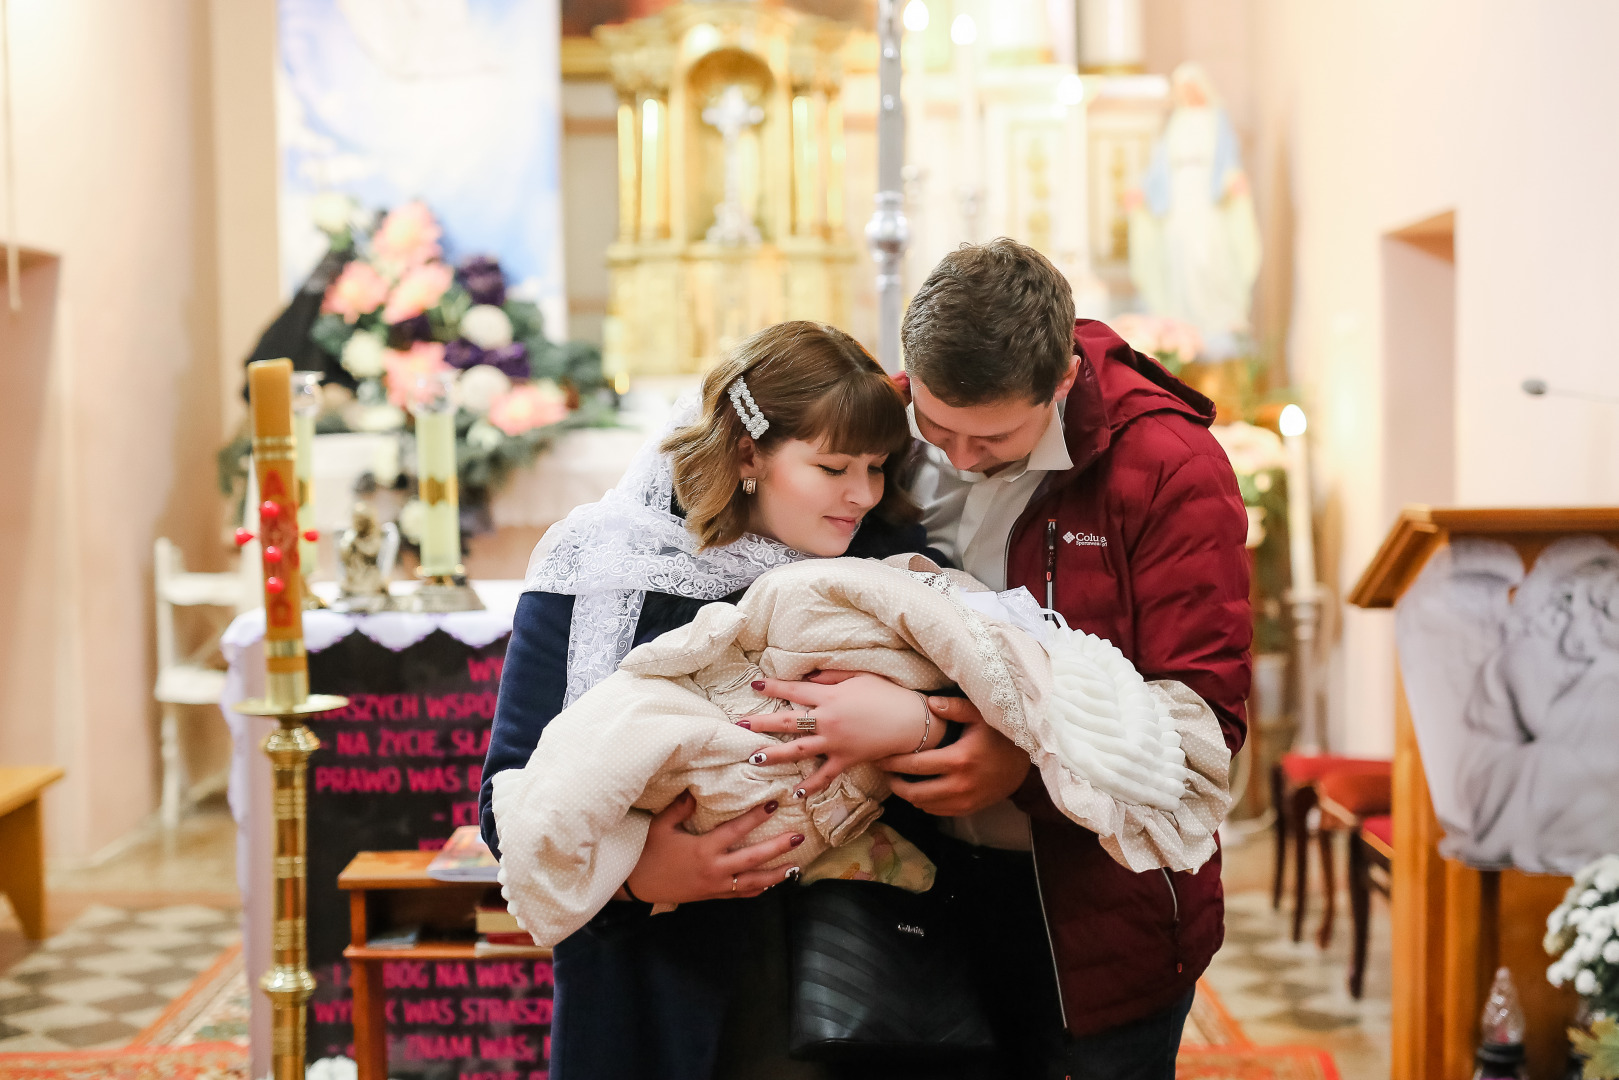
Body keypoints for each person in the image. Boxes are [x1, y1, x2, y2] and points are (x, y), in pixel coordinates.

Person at [754, 238, 1252, 1078]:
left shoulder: (1167, 467)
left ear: (1060, 381)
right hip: (913, 882)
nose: (956, 457)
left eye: (990, 438)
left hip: (1094, 912)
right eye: (935, 424)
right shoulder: (888, 431)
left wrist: (1017, 765)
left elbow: (1206, 729)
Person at [477, 321, 955, 1079]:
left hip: (848, 963)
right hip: (647, 967)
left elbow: (990, 714)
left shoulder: (892, 562)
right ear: (747, 453)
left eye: (875, 465)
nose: (861, 493)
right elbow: (512, 794)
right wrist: (642, 875)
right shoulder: (602, 566)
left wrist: (914, 723)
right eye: (832, 466)